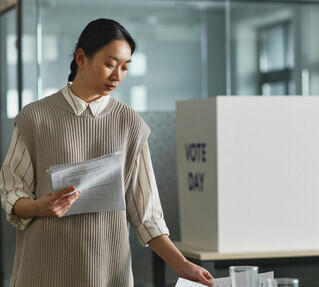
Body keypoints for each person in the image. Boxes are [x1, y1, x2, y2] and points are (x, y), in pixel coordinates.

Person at [0, 18, 213, 287]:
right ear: (81, 58)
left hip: (107, 274)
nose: (117, 76)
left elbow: (146, 215)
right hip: (43, 270)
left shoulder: (130, 124)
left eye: (125, 67)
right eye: (110, 64)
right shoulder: (35, 118)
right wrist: (39, 206)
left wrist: (182, 266)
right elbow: (11, 191)